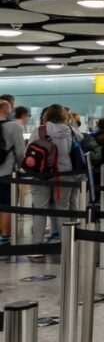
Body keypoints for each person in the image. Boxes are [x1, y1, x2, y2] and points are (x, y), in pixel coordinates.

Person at [27, 105, 75, 249]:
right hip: (65, 174)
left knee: (40, 210)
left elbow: (28, 152)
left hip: (42, 175)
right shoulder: (71, 131)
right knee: (62, 209)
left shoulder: (39, 131)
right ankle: (65, 245)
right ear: (63, 115)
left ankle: (37, 246)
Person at [0, 100, 26, 245]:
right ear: (6, 109)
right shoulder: (14, 126)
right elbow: (20, 151)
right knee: (6, 205)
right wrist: (22, 166)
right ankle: (5, 238)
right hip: (7, 171)